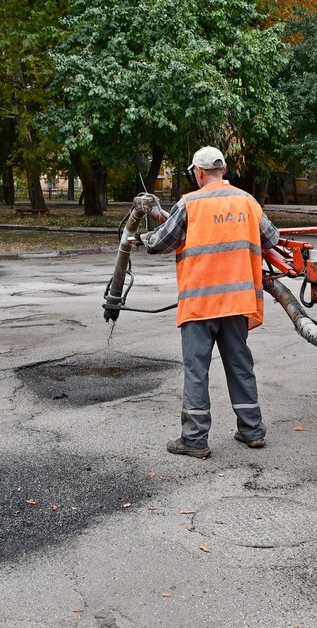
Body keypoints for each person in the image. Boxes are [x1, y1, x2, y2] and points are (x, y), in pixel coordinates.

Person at [137, 146, 279, 459]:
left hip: (200, 304)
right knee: (241, 367)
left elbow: (162, 242)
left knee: (196, 370)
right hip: (238, 302)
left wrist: (143, 238)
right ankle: (252, 431)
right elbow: (272, 239)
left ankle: (195, 439)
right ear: (223, 170)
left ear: (199, 172)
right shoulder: (247, 201)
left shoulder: (189, 203)